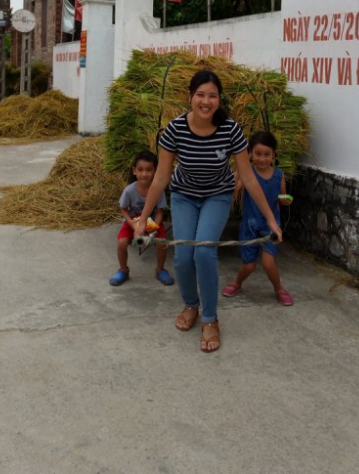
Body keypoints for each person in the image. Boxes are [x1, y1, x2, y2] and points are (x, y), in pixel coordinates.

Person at [134, 70, 283, 353]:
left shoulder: (231, 130)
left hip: (217, 195)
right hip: (184, 196)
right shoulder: (175, 129)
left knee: (203, 251)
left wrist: (271, 219)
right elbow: (162, 177)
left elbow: (249, 178)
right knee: (182, 259)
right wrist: (143, 220)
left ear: (219, 99)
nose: (206, 101)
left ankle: (211, 318)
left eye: (212, 95)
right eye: (200, 95)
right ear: (190, 97)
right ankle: (191, 304)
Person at [222, 130, 294, 306]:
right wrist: (238, 171)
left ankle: (279, 289)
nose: (262, 159)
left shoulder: (279, 175)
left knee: (268, 263)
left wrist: (286, 201)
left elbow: (282, 198)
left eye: (267, 154)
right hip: (250, 226)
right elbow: (234, 190)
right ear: (250, 154)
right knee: (249, 265)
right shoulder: (248, 174)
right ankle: (237, 283)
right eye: (258, 154)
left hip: (272, 226)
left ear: (274, 155)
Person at [109, 150, 174, 287]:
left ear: (155, 172)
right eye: (140, 170)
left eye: (149, 170)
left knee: (162, 244)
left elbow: (160, 212)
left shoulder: (158, 190)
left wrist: (154, 228)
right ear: (134, 171)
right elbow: (123, 209)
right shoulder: (129, 191)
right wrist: (132, 223)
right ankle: (123, 270)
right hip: (132, 221)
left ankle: (160, 269)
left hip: (153, 223)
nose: (144, 174)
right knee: (121, 243)